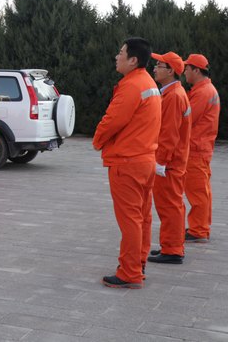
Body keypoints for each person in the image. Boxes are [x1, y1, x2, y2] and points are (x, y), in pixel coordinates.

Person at [93, 37, 162, 289]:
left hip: (128, 161)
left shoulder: (132, 85)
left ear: (133, 60)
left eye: (120, 52)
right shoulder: (148, 82)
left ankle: (130, 272)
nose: (116, 56)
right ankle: (138, 263)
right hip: (145, 159)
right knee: (142, 217)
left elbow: (113, 120)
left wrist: (97, 141)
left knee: (130, 219)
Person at [146, 52, 191, 265]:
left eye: (159, 65)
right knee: (171, 205)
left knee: (169, 206)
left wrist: (160, 162)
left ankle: (173, 250)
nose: (154, 69)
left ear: (171, 71)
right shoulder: (173, 93)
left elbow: (169, 134)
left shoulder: (173, 96)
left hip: (170, 163)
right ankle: (170, 245)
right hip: (174, 160)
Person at [182, 53, 220, 243]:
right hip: (200, 147)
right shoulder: (205, 89)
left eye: (187, 69)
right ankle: (200, 226)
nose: (184, 72)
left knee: (197, 191)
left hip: (196, 148)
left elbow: (187, 119)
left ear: (196, 70)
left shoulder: (203, 92)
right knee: (202, 190)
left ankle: (198, 229)